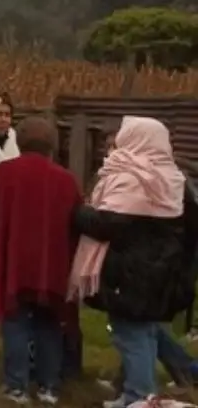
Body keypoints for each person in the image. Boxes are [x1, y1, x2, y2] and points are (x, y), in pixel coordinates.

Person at [70, 116, 196, 408]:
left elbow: (108, 224)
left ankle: (140, 396)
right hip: (162, 269)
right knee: (146, 331)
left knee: (131, 335)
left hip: (130, 271)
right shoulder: (173, 178)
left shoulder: (134, 178)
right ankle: (135, 390)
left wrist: (78, 212)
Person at [0, 116, 81, 405]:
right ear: (52, 144)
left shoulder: (2, 174)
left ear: (19, 141)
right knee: (49, 322)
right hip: (52, 264)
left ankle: (16, 386)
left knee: (16, 322)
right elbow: (78, 223)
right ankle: (49, 387)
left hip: (14, 263)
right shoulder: (67, 180)